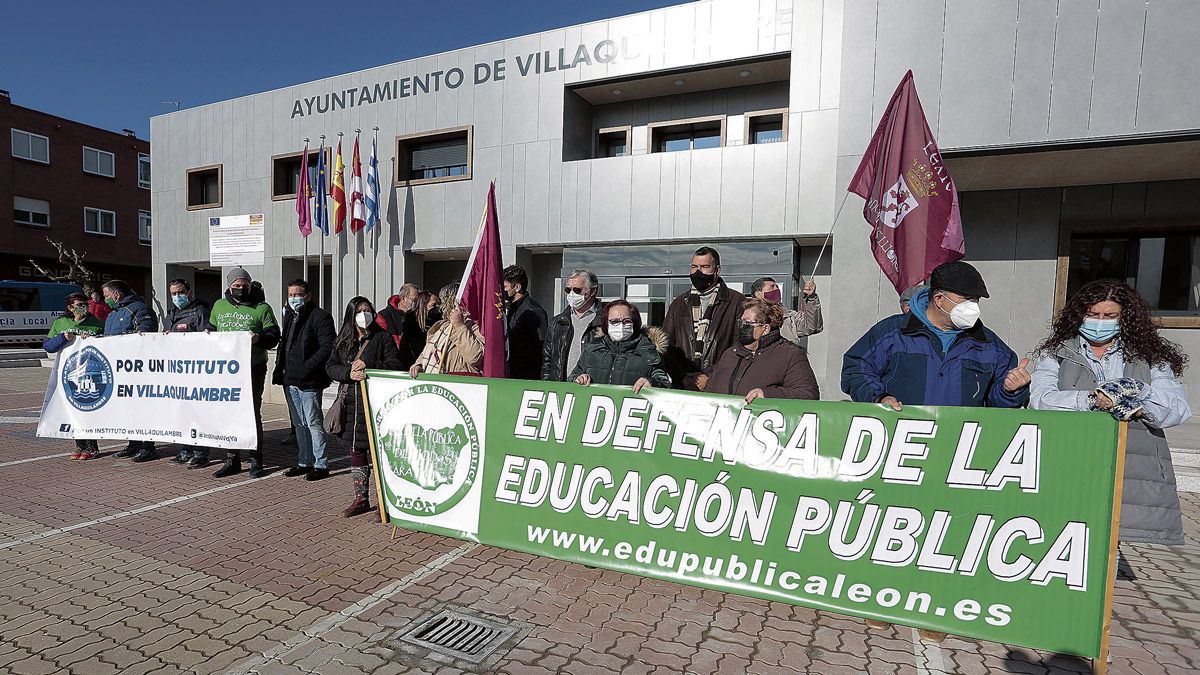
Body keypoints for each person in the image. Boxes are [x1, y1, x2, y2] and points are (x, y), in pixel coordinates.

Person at [1031, 279, 1191, 547]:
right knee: (1067, 534)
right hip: (1071, 458)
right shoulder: (1056, 353)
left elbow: (1176, 409)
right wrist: (1091, 400)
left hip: (1129, 460)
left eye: (1110, 315)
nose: (1100, 321)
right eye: (1092, 315)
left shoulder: (1148, 355)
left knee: (1110, 543)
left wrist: (1138, 392)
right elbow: (1041, 400)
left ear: (1124, 317)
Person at [841, 260, 1031, 411]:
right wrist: (879, 397)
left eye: (976, 300)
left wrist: (1010, 391)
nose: (973, 307)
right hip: (900, 442)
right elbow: (856, 369)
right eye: (965, 300)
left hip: (959, 448)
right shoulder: (894, 332)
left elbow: (998, 408)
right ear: (939, 299)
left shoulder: (990, 345)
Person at [327, 296, 403, 517]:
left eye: (367, 309)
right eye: (359, 310)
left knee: (378, 454)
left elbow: (395, 365)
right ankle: (361, 498)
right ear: (352, 314)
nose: (364, 314)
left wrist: (370, 366)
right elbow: (331, 367)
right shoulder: (343, 340)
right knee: (356, 451)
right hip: (351, 404)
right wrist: (348, 373)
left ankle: (383, 500)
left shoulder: (382, 338)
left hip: (376, 403)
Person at [206, 267, 280, 479]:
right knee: (229, 414)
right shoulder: (219, 305)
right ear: (229, 286)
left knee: (251, 414)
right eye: (236, 286)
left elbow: (274, 335)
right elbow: (211, 328)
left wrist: (259, 338)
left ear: (250, 285)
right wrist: (206, 335)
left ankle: (256, 459)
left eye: (244, 285)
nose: (240, 289)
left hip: (253, 367)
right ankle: (232, 459)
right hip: (226, 370)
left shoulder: (262, 307)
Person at [274, 279, 337, 482]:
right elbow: (285, 345)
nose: (294, 299)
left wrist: (308, 367)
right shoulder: (291, 317)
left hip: (309, 381)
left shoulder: (321, 317)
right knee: (299, 423)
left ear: (308, 295)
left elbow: (327, 347)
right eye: (290, 295)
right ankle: (304, 461)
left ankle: (321, 464)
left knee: (313, 422)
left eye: (297, 294)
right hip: (290, 378)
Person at [662, 246, 745, 390]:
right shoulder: (679, 303)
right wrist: (683, 375)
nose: (698, 272)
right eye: (694, 266)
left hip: (720, 387)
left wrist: (710, 378)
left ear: (717, 270)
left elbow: (741, 347)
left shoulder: (737, 302)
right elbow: (666, 346)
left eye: (704, 266)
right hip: (683, 386)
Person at [707, 298, 820, 402]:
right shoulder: (731, 353)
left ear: (765, 329)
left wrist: (768, 395)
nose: (741, 326)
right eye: (741, 322)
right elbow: (710, 388)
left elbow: (808, 394)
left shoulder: (790, 355)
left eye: (747, 323)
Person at [101, 280, 159, 462]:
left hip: (138, 371)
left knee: (142, 409)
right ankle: (133, 443)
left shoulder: (139, 309)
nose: (105, 300)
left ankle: (148, 446)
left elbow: (146, 336)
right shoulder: (113, 314)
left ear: (116, 294)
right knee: (128, 410)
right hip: (119, 372)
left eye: (106, 296)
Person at [43, 293, 104, 460]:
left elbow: (108, 343)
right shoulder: (60, 323)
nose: (83, 307)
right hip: (68, 374)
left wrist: (95, 339)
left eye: (85, 303)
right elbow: (48, 346)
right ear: (70, 307)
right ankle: (79, 444)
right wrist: (62, 338)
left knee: (88, 408)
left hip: (91, 374)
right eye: (79, 304)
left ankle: (92, 446)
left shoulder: (96, 323)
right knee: (72, 409)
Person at [569, 300, 671, 391]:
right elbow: (572, 377)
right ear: (606, 323)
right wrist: (578, 378)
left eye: (627, 321)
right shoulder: (592, 349)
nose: (621, 326)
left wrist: (651, 382)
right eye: (615, 321)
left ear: (634, 323)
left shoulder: (649, 352)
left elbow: (664, 384)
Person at [162, 278, 212, 466]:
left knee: (198, 413)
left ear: (189, 292)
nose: (177, 296)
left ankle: (200, 452)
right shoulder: (171, 314)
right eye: (173, 294)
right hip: (177, 373)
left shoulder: (200, 311)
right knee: (181, 413)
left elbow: (208, 339)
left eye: (180, 292)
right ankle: (185, 450)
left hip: (196, 373)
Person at [411, 283, 485, 377]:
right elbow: (429, 351)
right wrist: (419, 365)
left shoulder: (476, 327)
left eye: (443, 303)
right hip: (439, 384)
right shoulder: (442, 327)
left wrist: (459, 326)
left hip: (462, 385)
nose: (441, 307)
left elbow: (475, 357)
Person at [542, 269, 604, 381]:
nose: (572, 294)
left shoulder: (606, 321)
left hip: (590, 388)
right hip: (561, 388)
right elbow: (547, 360)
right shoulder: (557, 322)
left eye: (577, 290)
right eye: (568, 290)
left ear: (592, 291)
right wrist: (547, 386)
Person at [502, 265, 549, 380]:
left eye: (505, 286)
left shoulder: (533, 311)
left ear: (517, 287)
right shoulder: (512, 308)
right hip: (514, 372)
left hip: (527, 375)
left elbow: (542, 346)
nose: (503, 291)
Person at [750, 276, 823, 344]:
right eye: (772, 287)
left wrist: (811, 298)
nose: (776, 289)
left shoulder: (788, 316)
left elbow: (812, 327)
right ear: (758, 294)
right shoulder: (747, 316)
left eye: (777, 286)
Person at [375, 283, 424, 369]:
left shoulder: (419, 316)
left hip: (415, 364)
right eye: (414, 300)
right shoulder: (385, 316)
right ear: (403, 299)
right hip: (395, 365)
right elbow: (383, 342)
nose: (417, 303)